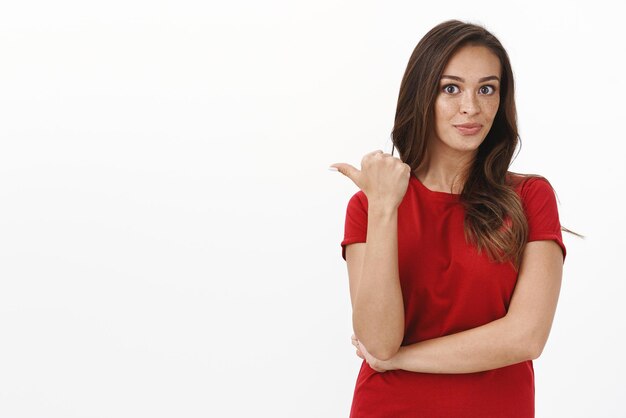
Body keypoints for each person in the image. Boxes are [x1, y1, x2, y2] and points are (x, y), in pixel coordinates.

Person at [329, 19, 577, 417]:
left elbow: (526, 337)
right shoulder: (371, 205)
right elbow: (378, 341)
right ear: (421, 94)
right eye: (451, 88)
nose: (471, 107)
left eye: (486, 89)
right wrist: (385, 207)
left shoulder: (529, 197)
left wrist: (401, 360)